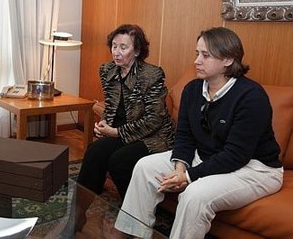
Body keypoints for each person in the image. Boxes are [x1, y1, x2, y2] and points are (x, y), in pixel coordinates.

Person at [114, 27, 283, 239]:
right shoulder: (193, 89)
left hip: (254, 168)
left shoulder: (251, 97)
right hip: (206, 156)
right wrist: (180, 167)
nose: (196, 61)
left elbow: (235, 156)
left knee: (195, 195)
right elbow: (185, 136)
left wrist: (188, 176)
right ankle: (134, 234)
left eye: (205, 55)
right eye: (197, 53)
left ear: (228, 60)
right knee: (144, 167)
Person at [74, 24, 173, 230]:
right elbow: (111, 106)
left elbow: (155, 120)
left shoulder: (152, 74)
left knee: (119, 161)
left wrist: (117, 132)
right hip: (120, 132)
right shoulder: (107, 70)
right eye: (114, 46)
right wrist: (104, 127)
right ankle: (76, 215)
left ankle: (137, 218)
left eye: (123, 48)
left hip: (153, 136)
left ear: (137, 51)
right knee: (94, 152)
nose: (116, 53)